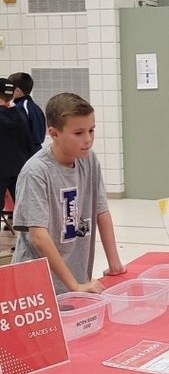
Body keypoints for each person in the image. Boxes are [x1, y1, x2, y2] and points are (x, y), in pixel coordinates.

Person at [11, 93, 126, 293]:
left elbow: (101, 212)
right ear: (54, 133)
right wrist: (74, 286)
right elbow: (38, 236)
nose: (88, 139)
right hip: (37, 286)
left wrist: (114, 262)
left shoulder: (88, 160)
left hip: (75, 278)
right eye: (78, 133)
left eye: (91, 130)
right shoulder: (36, 172)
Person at [0, 78, 32, 226]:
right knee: (24, 209)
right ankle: (25, 246)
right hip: (20, 167)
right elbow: (28, 143)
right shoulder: (21, 115)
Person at [9, 73, 45, 154]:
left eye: (10, 89)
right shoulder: (35, 107)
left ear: (17, 91)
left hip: (27, 151)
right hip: (36, 149)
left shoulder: (20, 108)